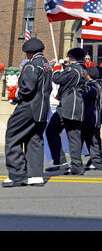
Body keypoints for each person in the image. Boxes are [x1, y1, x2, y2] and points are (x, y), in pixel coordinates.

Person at [3, 38, 52, 188]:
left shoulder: (32, 65)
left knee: (12, 135)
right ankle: (35, 175)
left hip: (29, 106)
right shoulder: (47, 65)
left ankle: (17, 175)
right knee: (34, 139)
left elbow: (27, 88)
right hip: (43, 107)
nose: (26, 56)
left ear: (30, 53)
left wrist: (15, 94)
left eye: (26, 54)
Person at [46, 48, 86, 176]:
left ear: (71, 57)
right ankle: (75, 164)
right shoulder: (82, 69)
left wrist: (57, 66)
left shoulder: (72, 69)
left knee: (53, 130)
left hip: (69, 105)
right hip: (75, 104)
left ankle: (64, 161)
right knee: (73, 136)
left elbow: (57, 78)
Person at [82, 66, 102, 170]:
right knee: (94, 138)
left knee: (92, 139)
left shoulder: (91, 85)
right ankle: (96, 159)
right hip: (98, 115)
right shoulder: (101, 84)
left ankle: (96, 161)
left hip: (91, 116)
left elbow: (84, 99)